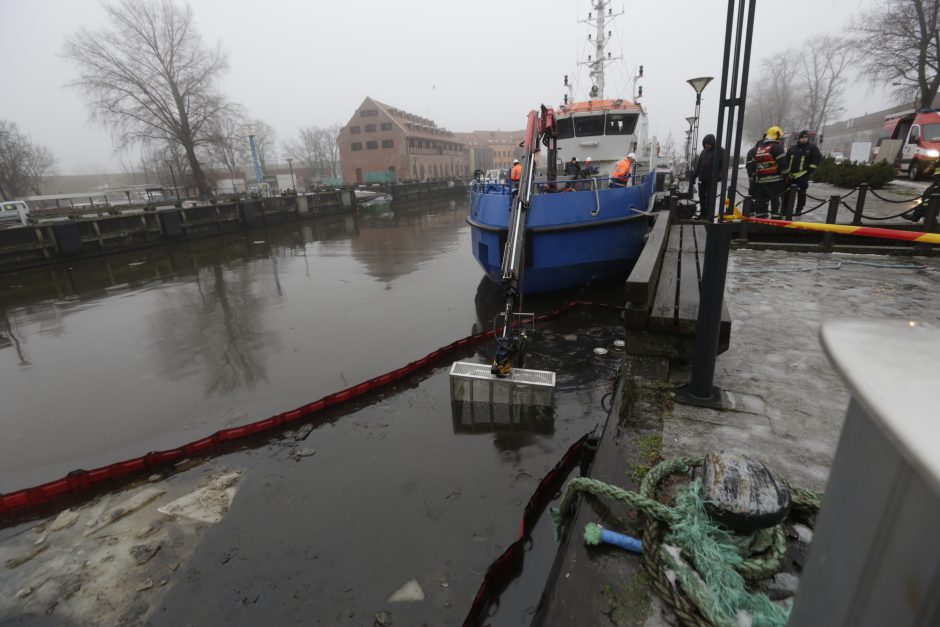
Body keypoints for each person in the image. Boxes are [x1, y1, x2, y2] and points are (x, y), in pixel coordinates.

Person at [747, 126, 789, 217]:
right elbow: (784, 167)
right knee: (776, 207)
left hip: (760, 184)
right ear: (777, 136)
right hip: (776, 184)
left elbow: (753, 167)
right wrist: (786, 178)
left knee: (761, 209)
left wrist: (754, 180)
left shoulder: (758, 149)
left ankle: (760, 224)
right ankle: (775, 224)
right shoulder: (777, 148)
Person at [688, 134, 727, 220]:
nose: (706, 145)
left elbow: (723, 165)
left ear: (713, 143)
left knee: (710, 198)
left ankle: (709, 215)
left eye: (708, 144)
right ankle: (703, 214)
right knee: (701, 196)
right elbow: (699, 166)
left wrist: (720, 175)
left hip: (712, 179)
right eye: (705, 144)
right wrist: (694, 176)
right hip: (702, 178)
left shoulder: (720, 151)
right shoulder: (703, 152)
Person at [786, 130, 822, 214]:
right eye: (803, 137)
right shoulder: (792, 149)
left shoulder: (812, 148)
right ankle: (787, 209)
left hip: (803, 175)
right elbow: (786, 160)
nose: (805, 139)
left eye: (806, 137)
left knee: (801, 194)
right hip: (791, 176)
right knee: (787, 194)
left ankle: (799, 209)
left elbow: (817, 159)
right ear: (799, 138)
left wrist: (810, 170)